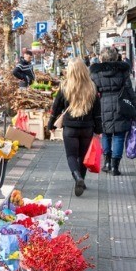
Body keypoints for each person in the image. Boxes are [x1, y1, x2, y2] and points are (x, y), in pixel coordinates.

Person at [48, 58, 102, 197]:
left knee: (71, 155)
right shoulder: (92, 87)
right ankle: (81, 180)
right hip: (87, 127)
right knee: (83, 156)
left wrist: (51, 124)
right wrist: (98, 130)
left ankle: (77, 177)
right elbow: (97, 111)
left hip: (70, 127)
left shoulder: (65, 86)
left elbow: (56, 107)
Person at [90, 46, 136, 176]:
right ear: (115, 56)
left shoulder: (96, 73)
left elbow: (92, 93)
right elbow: (129, 90)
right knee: (119, 136)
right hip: (120, 105)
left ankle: (106, 163)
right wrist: (134, 106)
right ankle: (115, 167)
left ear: (102, 57)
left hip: (103, 106)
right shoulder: (123, 71)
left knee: (105, 134)